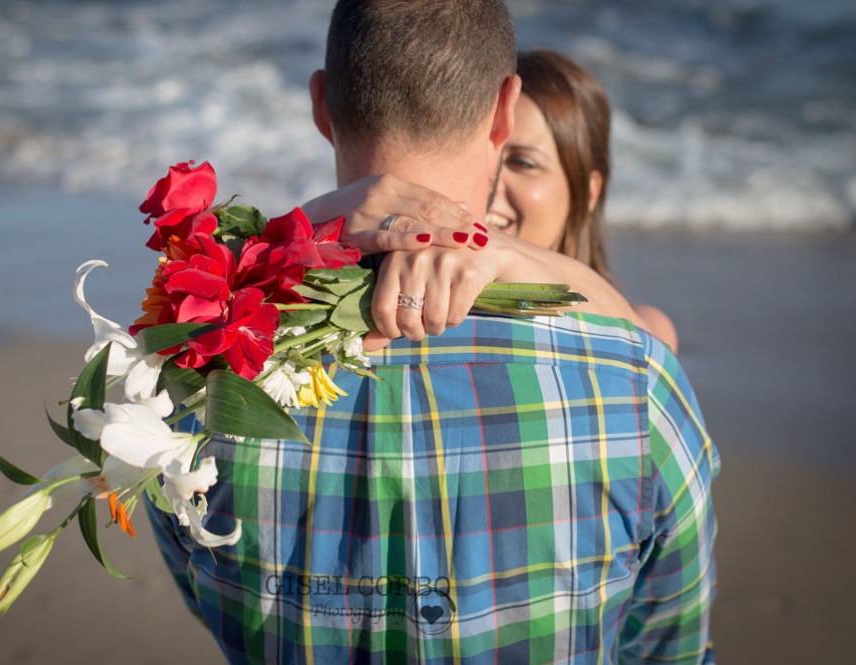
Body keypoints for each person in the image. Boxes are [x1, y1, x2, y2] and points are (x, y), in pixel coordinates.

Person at [150, 1, 718, 663]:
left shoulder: (187, 388)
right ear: (505, 111)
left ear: (320, 105)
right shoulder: (633, 389)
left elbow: (205, 592)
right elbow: (668, 650)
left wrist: (295, 233)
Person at [304, 50, 679, 352]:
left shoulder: (640, 325)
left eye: (523, 162)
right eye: (483, 156)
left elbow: (644, 342)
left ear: (589, 190)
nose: (491, 183)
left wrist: (496, 250)